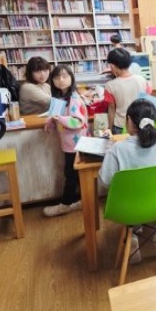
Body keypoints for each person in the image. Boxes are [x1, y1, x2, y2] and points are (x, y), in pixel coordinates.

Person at [99, 98, 156, 263]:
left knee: (128, 197)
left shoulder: (117, 149)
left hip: (128, 208)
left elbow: (104, 182)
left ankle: (131, 236)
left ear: (129, 121)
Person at [42, 65, 89, 217]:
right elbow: (55, 114)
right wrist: (51, 121)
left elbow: (78, 122)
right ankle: (82, 201)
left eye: (64, 76)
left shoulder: (74, 99)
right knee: (74, 173)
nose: (61, 80)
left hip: (76, 144)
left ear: (71, 78)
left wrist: (59, 119)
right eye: (57, 77)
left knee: (71, 174)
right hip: (69, 143)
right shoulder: (59, 97)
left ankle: (65, 204)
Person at [104, 48, 152, 134]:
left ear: (112, 66)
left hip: (120, 126)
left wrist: (110, 128)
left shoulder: (110, 86)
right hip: (140, 123)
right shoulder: (142, 80)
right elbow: (147, 100)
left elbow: (111, 108)